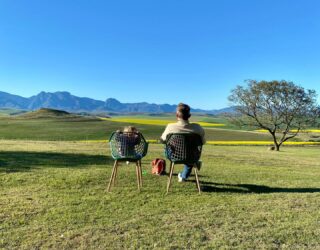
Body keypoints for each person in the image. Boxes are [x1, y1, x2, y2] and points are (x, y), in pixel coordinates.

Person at [160, 103, 206, 182]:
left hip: (173, 155)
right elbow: (203, 142)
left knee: (166, 148)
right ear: (189, 115)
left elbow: (162, 140)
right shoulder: (197, 127)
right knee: (190, 159)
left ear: (176, 115)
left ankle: (184, 175)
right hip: (191, 156)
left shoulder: (170, 126)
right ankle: (184, 176)